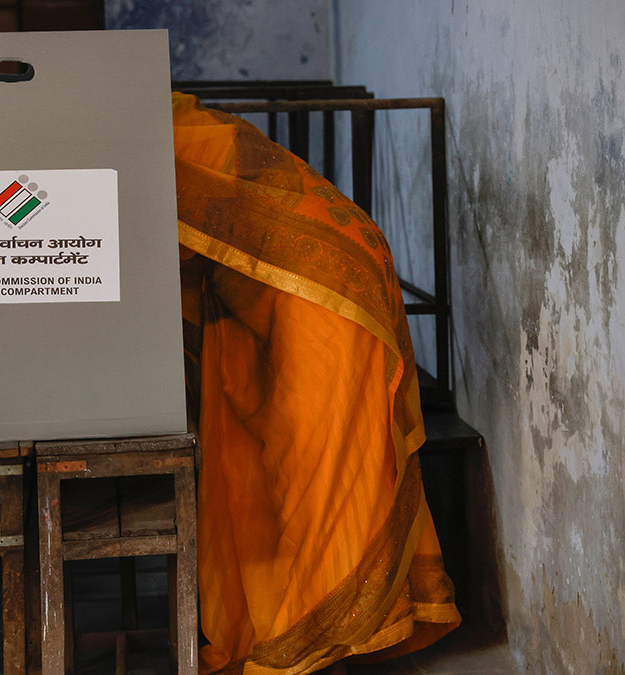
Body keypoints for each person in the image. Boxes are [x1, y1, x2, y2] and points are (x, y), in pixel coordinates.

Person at [173, 92, 461, 674]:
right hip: (299, 281)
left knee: (322, 464)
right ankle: (303, 623)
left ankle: (319, 633)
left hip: (324, 295)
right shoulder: (176, 127)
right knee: (269, 462)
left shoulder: (152, 147)